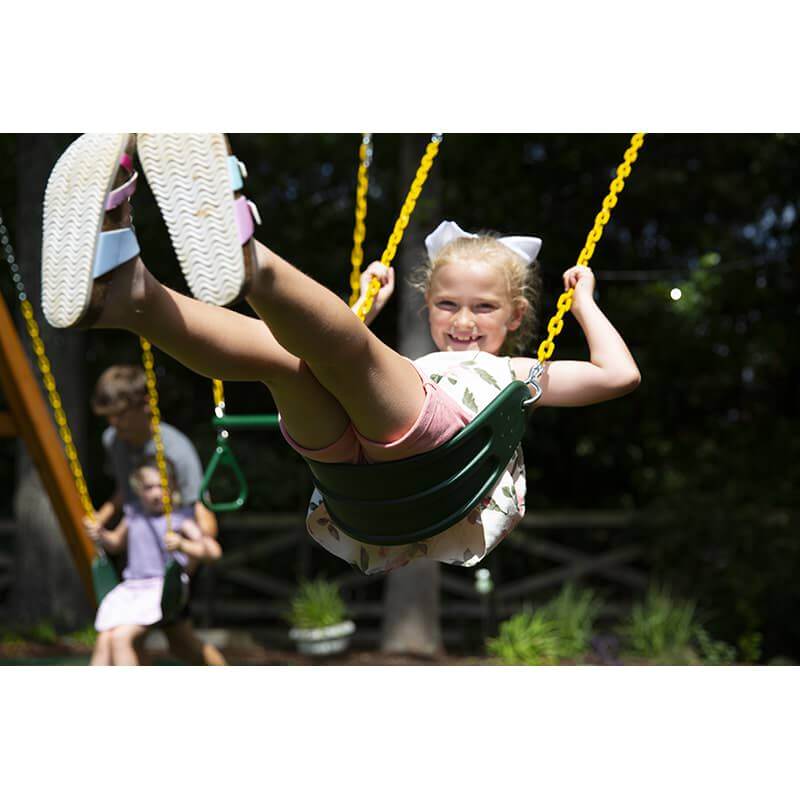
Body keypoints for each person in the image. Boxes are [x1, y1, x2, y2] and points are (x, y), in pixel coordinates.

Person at [42, 133, 641, 577]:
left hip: (442, 464)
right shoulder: (409, 367)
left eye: (484, 309)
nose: (462, 322)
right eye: (447, 304)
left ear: (515, 319)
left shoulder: (514, 372)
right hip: (352, 483)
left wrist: (584, 302)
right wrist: (367, 311)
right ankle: (130, 295)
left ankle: (248, 257)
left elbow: (619, 375)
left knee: (352, 355)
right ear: (427, 306)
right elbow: (332, 351)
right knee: (282, 360)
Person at [90, 365, 227, 665]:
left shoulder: (177, 450)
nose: (114, 424)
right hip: (142, 555)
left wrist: (192, 556)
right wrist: (100, 519)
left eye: (121, 414)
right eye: (109, 417)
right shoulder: (113, 440)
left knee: (181, 642)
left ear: (146, 407)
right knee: (163, 640)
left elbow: (199, 506)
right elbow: (125, 491)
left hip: (173, 555)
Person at [88, 457, 221, 665]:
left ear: (173, 488)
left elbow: (213, 551)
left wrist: (182, 545)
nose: (157, 493)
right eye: (149, 487)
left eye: (162, 486)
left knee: (122, 638)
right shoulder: (133, 516)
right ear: (138, 490)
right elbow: (115, 544)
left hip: (161, 589)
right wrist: (101, 534)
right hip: (132, 589)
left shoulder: (179, 519)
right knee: (106, 637)